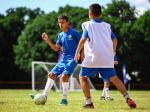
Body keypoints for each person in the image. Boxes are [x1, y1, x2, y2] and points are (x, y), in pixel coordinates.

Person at [74, 3, 136, 109]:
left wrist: (77, 52)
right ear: (101, 14)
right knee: (114, 78)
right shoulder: (107, 26)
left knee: (82, 77)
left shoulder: (87, 25)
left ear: (89, 14)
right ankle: (127, 98)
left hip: (93, 56)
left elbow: (83, 39)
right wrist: (113, 52)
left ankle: (89, 103)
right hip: (107, 57)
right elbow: (115, 39)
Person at [31, 14, 80, 105]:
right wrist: (47, 40)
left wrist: (82, 54)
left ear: (67, 23)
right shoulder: (60, 35)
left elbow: (83, 42)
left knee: (64, 76)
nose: (61, 24)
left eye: (63, 22)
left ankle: (64, 99)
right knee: (51, 74)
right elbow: (56, 48)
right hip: (63, 59)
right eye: (59, 23)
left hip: (73, 59)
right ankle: (44, 96)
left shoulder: (74, 32)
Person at [100, 33, 118, 101]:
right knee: (106, 82)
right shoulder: (103, 50)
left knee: (107, 82)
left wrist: (115, 61)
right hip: (103, 67)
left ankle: (102, 96)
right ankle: (107, 97)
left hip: (110, 67)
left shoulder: (113, 50)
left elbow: (115, 60)